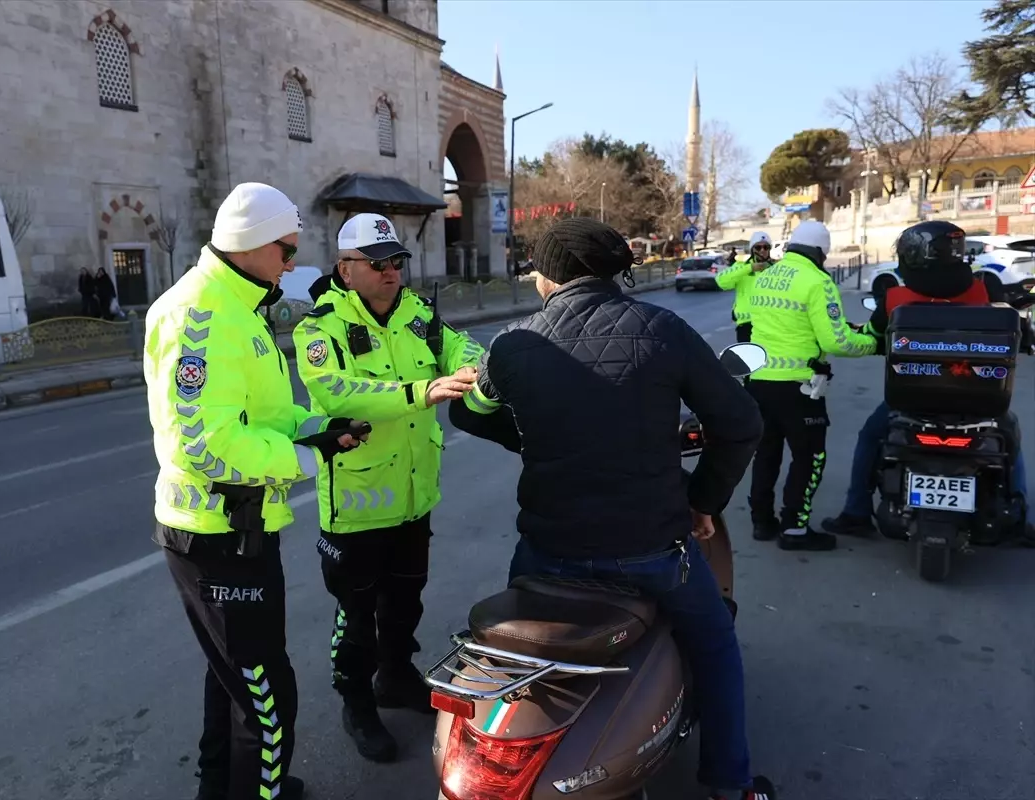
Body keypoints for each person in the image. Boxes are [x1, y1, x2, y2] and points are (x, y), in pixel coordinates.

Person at [449, 217, 775, 800]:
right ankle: (732, 784)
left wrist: (534, 437)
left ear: (548, 276)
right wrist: (703, 502)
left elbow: (468, 413)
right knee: (716, 644)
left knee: (518, 662)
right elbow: (741, 422)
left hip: (547, 552)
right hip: (651, 550)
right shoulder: (662, 328)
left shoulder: (513, 343)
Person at [144, 182, 369, 800]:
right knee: (267, 700)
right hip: (217, 535)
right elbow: (203, 444)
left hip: (241, 526)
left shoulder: (240, 306)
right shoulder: (200, 315)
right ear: (250, 243)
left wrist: (317, 428)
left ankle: (221, 790)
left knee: (234, 681)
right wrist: (304, 458)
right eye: (286, 251)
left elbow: (259, 415)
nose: (293, 265)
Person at [291, 213, 484, 763]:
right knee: (356, 619)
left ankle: (395, 678)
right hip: (357, 507)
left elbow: (462, 347)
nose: (390, 271)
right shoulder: (320, 328)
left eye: (396, 260)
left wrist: (471, 367)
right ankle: (357, 703)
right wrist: (422, 391)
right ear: (345, 270)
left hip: (413, 500)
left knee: (404, 604)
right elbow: (337, 392)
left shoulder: (418, 314)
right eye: (376, 263)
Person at [822, 219, 1033, 540]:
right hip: (979, 401)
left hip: (911, 401)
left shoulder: (894, 298)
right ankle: (1019, 520)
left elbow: (873, 336)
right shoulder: (982, 289)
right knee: (1010, 439)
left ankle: (856, 512)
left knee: (870, 437)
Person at [744, 220, 877, 549]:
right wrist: (872, 343)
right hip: (799, 388)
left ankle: (762, 522)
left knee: (766, 454)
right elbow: (835, 341)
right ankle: (795, 529)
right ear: (820, 251)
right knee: (810, 458)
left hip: (759, 383)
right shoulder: (818, 281)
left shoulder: (766, 276)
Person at [716, 232, 774, 343]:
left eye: (766, 247)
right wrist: (749, 268)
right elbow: (721, 281)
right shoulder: (741, 267)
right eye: (758, 247)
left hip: (770, 324)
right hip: (746, 324)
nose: (762, 250)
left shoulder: (776, 269)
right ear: (752, 249)